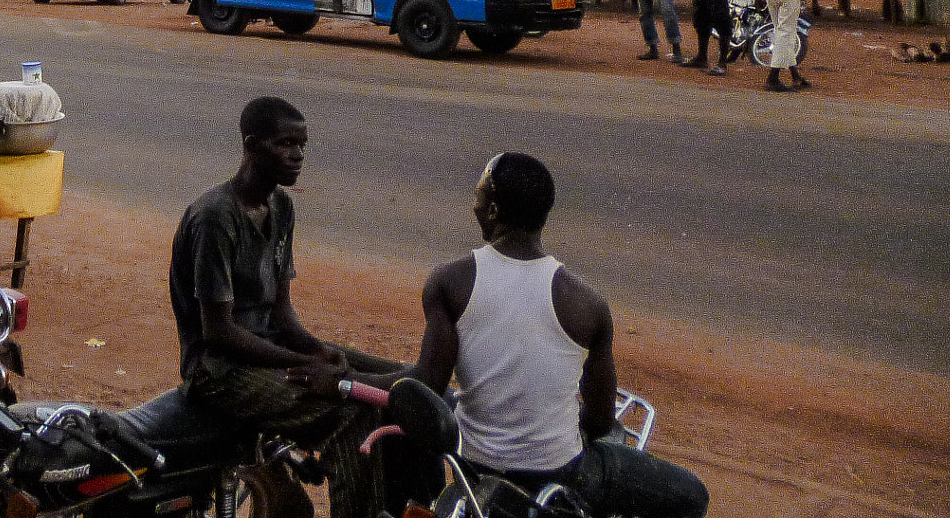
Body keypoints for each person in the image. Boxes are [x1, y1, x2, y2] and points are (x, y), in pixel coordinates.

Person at [413, 153, 708, 517]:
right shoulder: (586, 305)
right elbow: (599, 424)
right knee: (692, 494)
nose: (474, 203)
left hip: (474, 468)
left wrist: (352, 377)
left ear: (491, 211)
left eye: (478, 195)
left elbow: (426, 384)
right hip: (559, 473)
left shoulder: (450, 282)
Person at [170, 97, 421, 518]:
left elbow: (281, 311)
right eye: (285, 144)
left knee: (401, 386)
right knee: (350, 416)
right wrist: (303, 360)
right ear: (251, 146)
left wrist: (317, 351)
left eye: (302, 145)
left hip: (265, 352)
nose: (297, 155)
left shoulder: (281, 207)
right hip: (218, 371)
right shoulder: (216, 218)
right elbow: (219, 333)